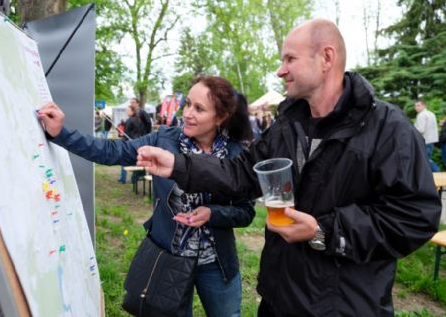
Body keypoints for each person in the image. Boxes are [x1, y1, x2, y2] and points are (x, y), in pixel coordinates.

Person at [136, 19, 442, 316]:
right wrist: (179, 164)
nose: (281, 70)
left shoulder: (387, 129)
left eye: (290, 59)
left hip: (344, 306)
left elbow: (416, 216)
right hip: (278, 298)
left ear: (326, 57)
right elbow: (242, 173)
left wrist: (324, 231)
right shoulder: (288, 123)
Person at [38, 76, 256, 317]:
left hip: (217, 263)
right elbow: (110, 151)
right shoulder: (164, 140)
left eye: (199, 109)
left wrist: (212, 213)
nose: (188, 114)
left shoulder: (236, 155)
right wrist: (61, 134)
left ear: (221, 117)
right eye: (188, 105)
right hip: (169, 259)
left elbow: (246, 212)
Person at [118, 105, 144, 183]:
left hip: (129, 142)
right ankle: (134, 179)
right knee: (136, 160)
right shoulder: (138, 119)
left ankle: (123, 179)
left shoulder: (130, 120)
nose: (126, 111)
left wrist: (123, 135)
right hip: (137, 142)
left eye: (127, 110)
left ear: (132, 111)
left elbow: (127, 132)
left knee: (124, 159)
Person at [414, 99, 440, 172]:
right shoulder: (431, 114)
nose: (416, 107)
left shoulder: (421, 115)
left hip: (425, 140)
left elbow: (420, 129)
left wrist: (413, 129)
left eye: (418, 105)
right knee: (427, 159)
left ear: (424, 105)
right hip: (432, 140)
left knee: (424, 160)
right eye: (415, 106)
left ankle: (437, 171)